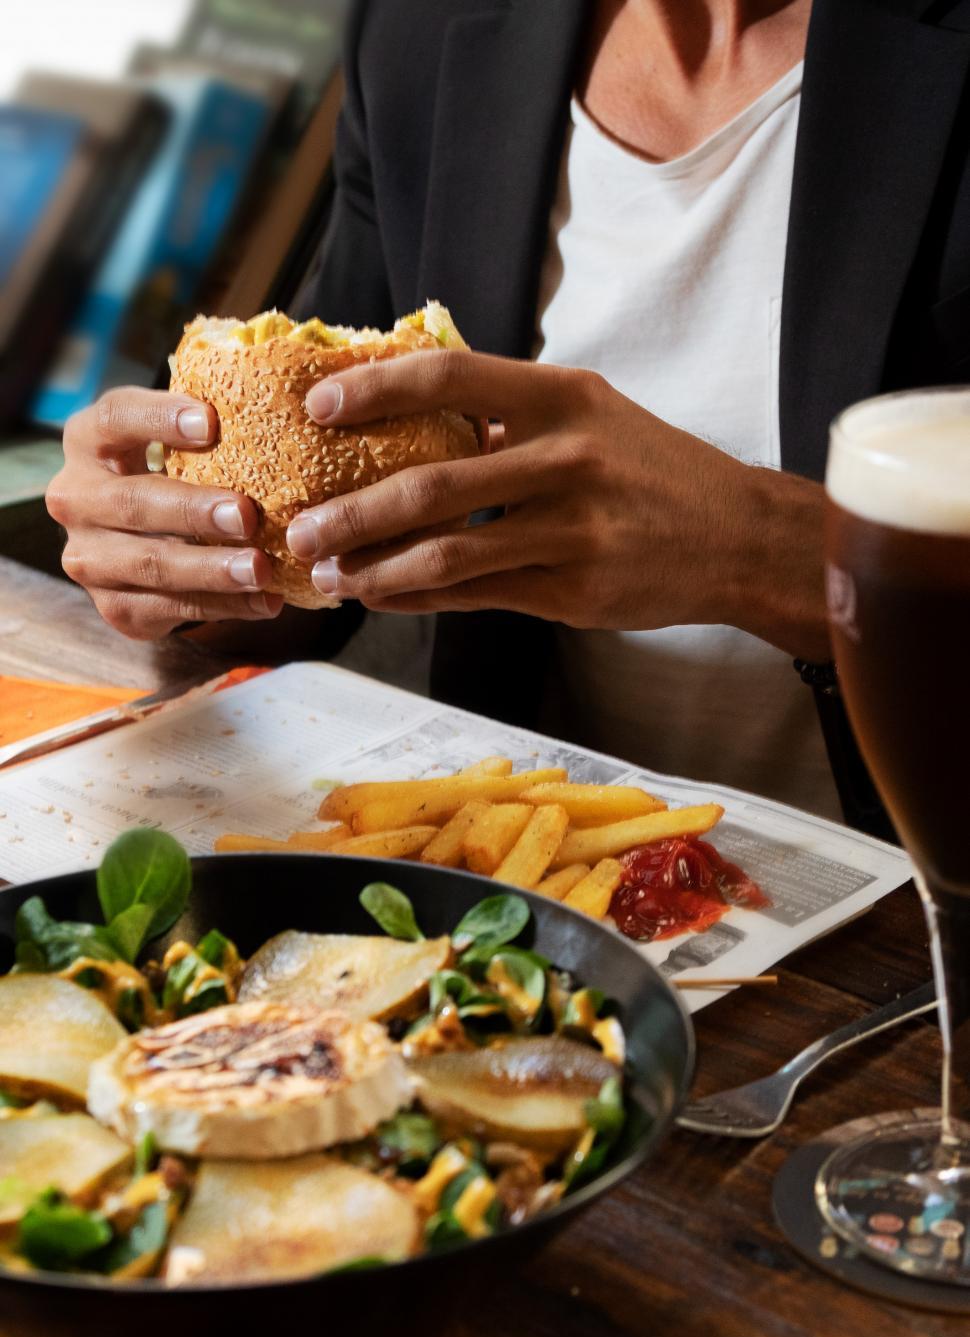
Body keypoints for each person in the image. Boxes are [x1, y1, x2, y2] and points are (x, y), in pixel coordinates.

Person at [45, 0, 970, 833]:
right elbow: (325, 570)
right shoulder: (420, 28)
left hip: (915, 917)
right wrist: (188, 554)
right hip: (538, 902)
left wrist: (768, 549)